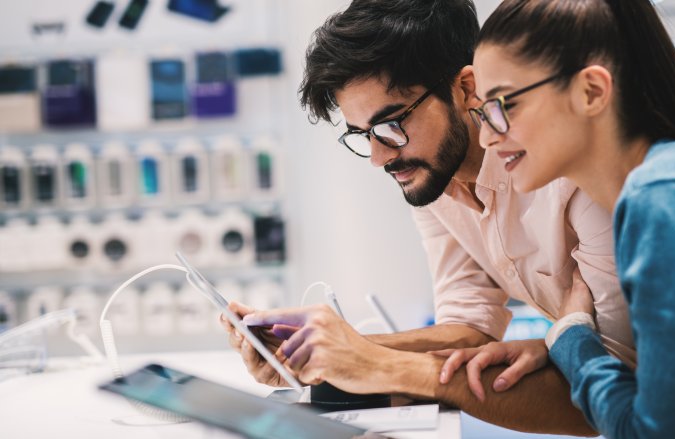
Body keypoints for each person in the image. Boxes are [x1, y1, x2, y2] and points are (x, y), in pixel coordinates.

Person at [223, 0, 633, 433]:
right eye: (363, 135)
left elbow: (618, 385)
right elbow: (469, 327)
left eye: (391, 124)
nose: (379, 157)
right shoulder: (435, 179)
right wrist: (320, 351)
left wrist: (371, 361)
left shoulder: (571, 178)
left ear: (465, 88)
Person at [438, 0, 675, 437]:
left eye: (503, 105)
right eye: (483, 113)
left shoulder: (666, 201)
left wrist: (571, 340)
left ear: (592, 92)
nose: (486, 135)